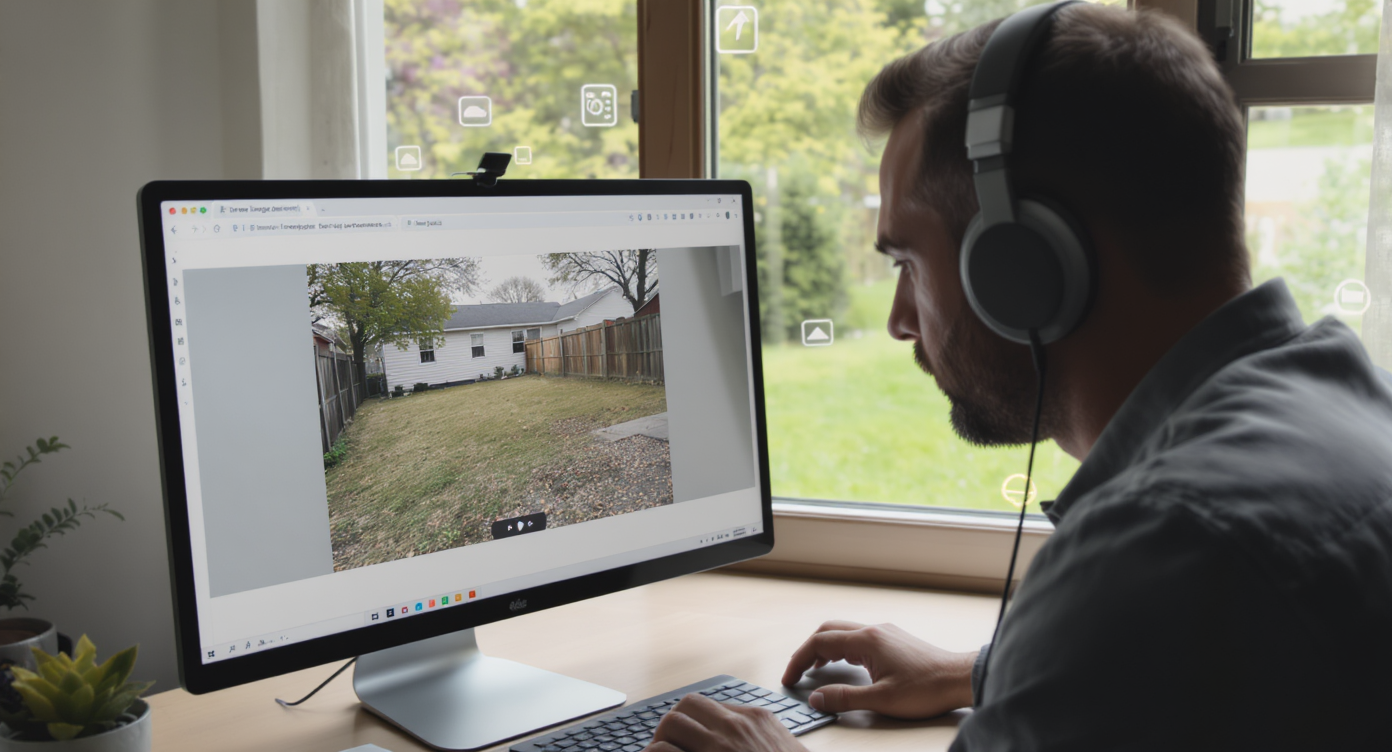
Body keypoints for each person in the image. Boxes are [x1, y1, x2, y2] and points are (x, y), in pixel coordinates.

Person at [645, 3, 1392, 751]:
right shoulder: (1346, 403)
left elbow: (1165, 615)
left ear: (1022, 267)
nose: (900, 320)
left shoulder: (1161, 549)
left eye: (907, 262)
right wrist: (986, 671)